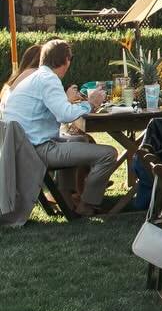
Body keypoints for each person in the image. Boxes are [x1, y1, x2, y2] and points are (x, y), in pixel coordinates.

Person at [4, 38, 114, 215]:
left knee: (80, 139)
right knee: (108, 154)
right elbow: (64, 114)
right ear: (66, 60)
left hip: (23, 147)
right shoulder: (49, 79)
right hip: (36, 150)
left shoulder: (36, 77)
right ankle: (86, 205)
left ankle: (65, 196)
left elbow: (59, 110)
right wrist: (91, 104)